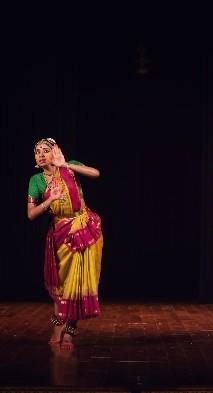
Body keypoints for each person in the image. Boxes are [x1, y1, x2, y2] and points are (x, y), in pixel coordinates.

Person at [27, 138, 103, 350]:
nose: (40, 154)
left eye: (45, 150)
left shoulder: (69, 166)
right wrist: (49, 201)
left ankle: (70, 332)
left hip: (83, 227)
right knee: (60, 285)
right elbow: (31, 214)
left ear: (55, 152)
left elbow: (96, 173)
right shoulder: (36, 181)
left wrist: (65, 164)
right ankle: (57, 327)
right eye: (37, 152)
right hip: (60, 233)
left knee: (76, 283)